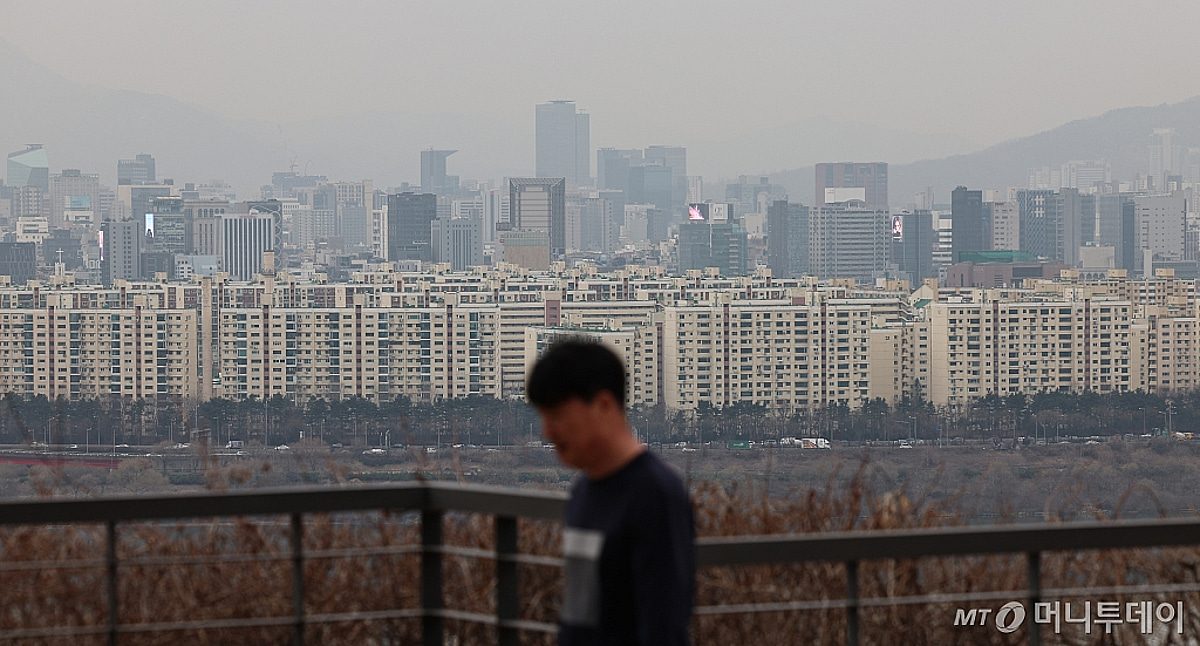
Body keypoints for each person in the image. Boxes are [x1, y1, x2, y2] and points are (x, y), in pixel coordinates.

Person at [526, 340, 694, 646]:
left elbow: (664, 624)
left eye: (558, 415)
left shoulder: (655, 495)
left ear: (603, 405)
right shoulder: (584, 491)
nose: (547, 431)